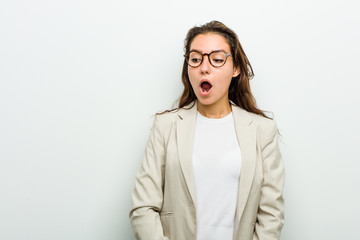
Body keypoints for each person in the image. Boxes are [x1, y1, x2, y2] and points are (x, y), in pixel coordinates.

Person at [129, 20, 285, 240]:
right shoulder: (165, 126)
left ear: (236, 68)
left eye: (217, 59)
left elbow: (271, 215)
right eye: (195, 59)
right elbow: (143, 208)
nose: (204, 67)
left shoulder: (262, 130)